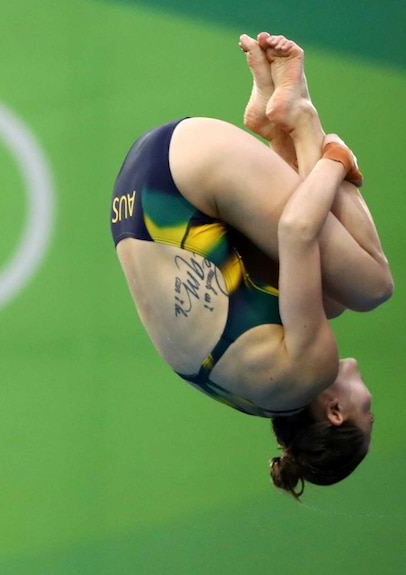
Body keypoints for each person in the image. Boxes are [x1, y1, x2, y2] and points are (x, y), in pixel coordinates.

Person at [109, 32, 393, 500]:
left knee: (372, 286)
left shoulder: (311, 371)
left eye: (370, 415)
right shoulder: (261, 399)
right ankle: (274, 127)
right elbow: (280, 255)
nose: (374, 407)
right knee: (329, 297)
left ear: (337, 413)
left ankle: (297, 121)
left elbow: (298, 230)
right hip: (136, 193)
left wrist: (334, 159)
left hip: (184, 180)